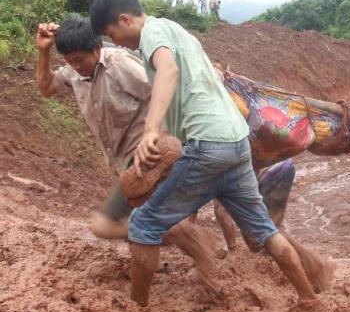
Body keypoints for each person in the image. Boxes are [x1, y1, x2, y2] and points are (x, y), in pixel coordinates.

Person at [89, 0, 326, 312]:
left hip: (208, 144)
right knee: (265, 231)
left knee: (143, 226)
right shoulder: (178, 31)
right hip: (236, 143)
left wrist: (150, 130)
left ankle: (136, 311)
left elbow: (168, 71)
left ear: (125, 19)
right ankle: (309, 300)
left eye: (115, 34)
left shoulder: (153, 32)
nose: (119, 44)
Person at [34, 18, 220, 274]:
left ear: (97, 48)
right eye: (70, 61)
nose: (76, 67)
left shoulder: (119, 65)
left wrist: (163, 139)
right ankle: (187, 250)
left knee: (104, 225)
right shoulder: (73, 72)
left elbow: (165, 88)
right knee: (140, 222)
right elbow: (45, 88)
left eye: (80, 59)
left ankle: (178, 238)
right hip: (123, 163)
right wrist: (43, 51)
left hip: (147, 157)